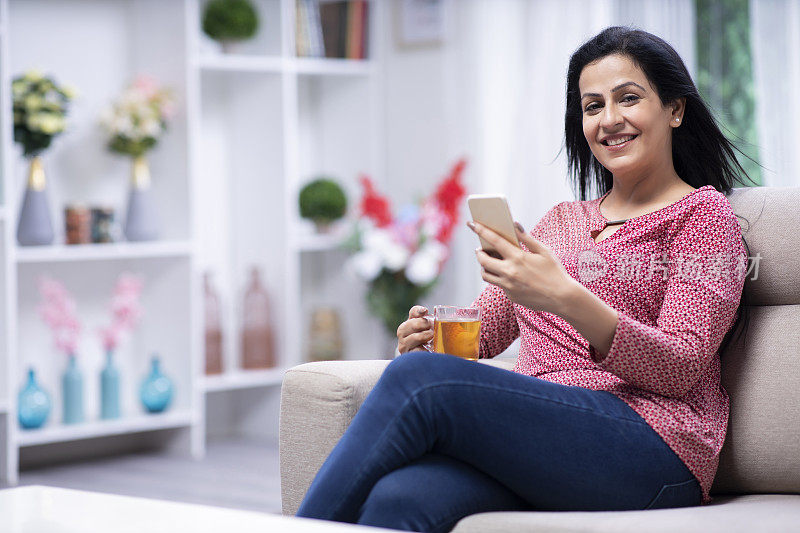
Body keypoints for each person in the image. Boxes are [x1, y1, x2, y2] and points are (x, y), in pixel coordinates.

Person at [295, 26, 754, 533]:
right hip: (546, 434)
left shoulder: (703, 215)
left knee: (414, 385)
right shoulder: (560, 221)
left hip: (656, 448)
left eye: (629, 99)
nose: (610, 119)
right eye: (593, 105)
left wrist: (566, 297)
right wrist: (426, 339)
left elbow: (683, 366)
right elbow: (483, 333)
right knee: (400, 498)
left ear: (675, 109)